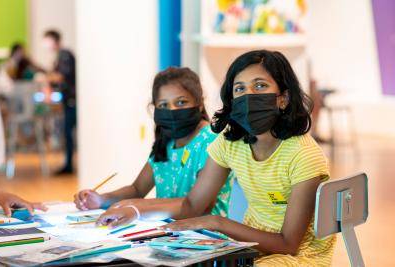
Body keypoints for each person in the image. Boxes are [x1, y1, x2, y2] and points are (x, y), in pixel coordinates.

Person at [97, 50, 336, 266]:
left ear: (283, 98)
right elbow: (192, 205)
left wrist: (217, 223)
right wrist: (135, 210)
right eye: (240, 89)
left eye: (260, 86)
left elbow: (288, 244)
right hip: (248, 248)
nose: (248, 95)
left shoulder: (304, 155)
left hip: (300, 256)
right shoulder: (230, 143)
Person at [74, 67, 232, 226]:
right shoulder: (166, 143)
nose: (172, 111)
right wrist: (101, 199)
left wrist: (136, 209)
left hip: (208, 238)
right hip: (169, 235)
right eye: (164, 105)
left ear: (199, 104)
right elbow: (137, 189)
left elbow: (197, 206)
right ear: (154, 108)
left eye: (181, 102)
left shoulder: (212, 142)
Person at [43, 30, 76, 175]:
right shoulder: (60, 56)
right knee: (66, 133)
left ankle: (68, 165)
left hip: (72, 101)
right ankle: (67, 164)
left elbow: (60, 76)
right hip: (68, 100)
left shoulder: (65, 55)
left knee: (68, 132)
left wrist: (46, 78)